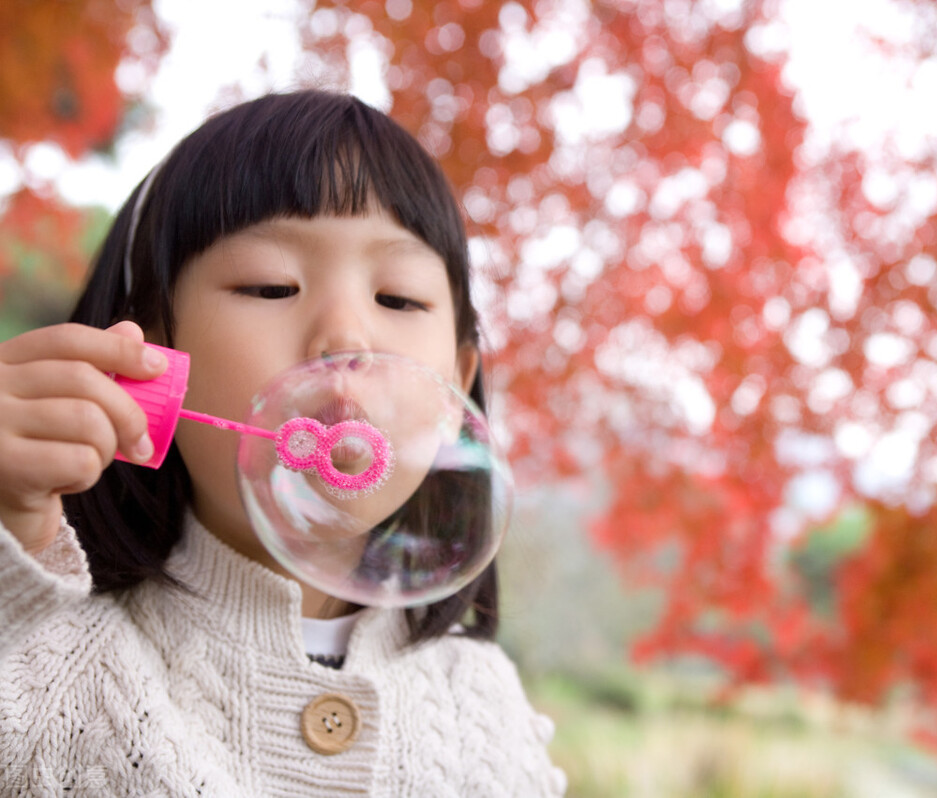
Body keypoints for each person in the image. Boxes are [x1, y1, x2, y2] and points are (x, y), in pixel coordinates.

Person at [0, 90, 567, 796]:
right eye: (271, 285)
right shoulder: (43, 662)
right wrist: (12, 532)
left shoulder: (485, 705)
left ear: (457, 387)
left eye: (398, 299)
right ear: (148, 356)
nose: (345, 338)